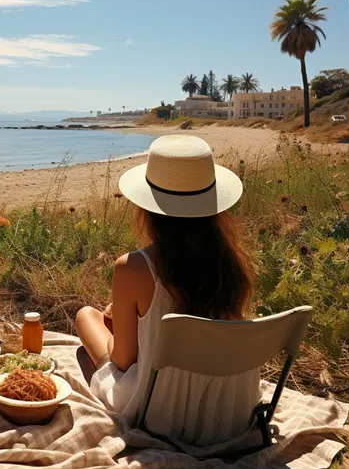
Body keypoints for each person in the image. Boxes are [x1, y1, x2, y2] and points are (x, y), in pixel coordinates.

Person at [75, 134, 260, 447]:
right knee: (110, 318)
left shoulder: (134, 267)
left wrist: (124, 322)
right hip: (229, 414)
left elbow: (123, 360)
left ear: (147, 207)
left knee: (86, 315)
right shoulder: (233, 264)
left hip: (159, 414)